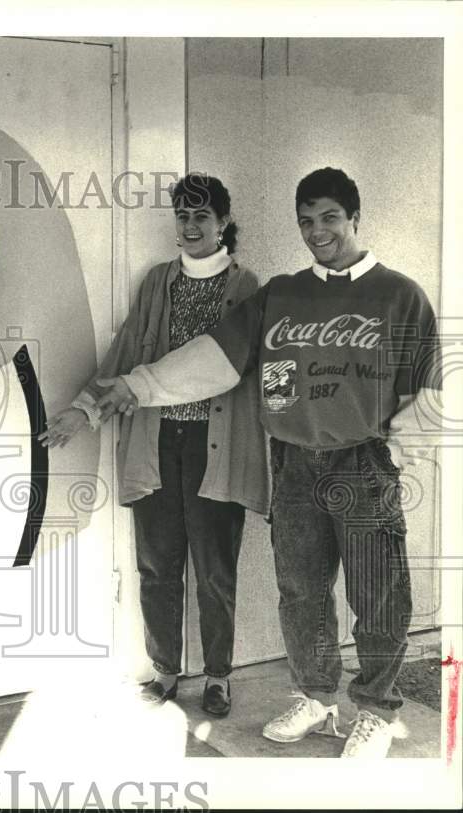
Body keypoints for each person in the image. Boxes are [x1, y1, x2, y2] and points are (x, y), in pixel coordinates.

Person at [98, 167, 442, 758]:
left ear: (355, 217)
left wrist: (397, 449)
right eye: (306, 222)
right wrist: (138, 385)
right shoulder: (280, 294)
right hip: (293, 465)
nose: (318, 232)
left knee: (376, 592)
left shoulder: (399, 294)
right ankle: (315, 696)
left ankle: (378, 712)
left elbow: (429, 389)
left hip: (361, 464)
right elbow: (211, 359)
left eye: (330, 218)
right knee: (300, 591)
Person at [39, 173, 269, 718]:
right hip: (156, 442)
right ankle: (166, 670)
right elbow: (123, 356)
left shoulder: (247, 286)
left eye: (201, 217)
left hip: (218, 447)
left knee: (214, 570)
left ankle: (217, 677)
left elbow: (246, 369)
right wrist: (83, 410)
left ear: (223, 224)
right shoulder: (157, 282)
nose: (190, 227)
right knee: (158, 565)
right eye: (182, 217)